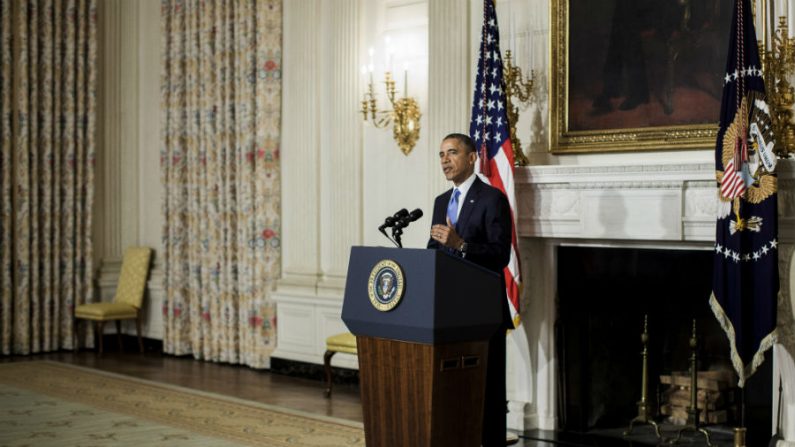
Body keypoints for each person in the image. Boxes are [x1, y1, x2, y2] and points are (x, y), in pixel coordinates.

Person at [427, 133, 513, 446]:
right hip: (448, 312)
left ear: (472, 157)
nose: (445, 161)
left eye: (452, 153)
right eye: (440, 155)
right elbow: (435, 250)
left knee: (487, 392)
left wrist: (461, 245)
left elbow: (500, 254)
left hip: (482, 312)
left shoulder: (492, 199)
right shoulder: (440, 202)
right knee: (454, 389)